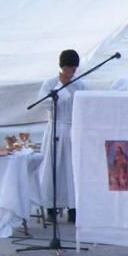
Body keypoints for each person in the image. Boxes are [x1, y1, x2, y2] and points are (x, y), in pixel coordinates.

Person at [38, 49, 87, 223]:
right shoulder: (50, 83)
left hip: (73, 129)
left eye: (73, 69)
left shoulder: (80, 85)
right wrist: (61, 86)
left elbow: (84, 105)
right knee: (53, 167)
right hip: (55, 128)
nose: (70, 72)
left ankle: (73, 207)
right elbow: (44, 102)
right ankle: (51, 206)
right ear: (61, 67)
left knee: (71, 169)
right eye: (67, 68)